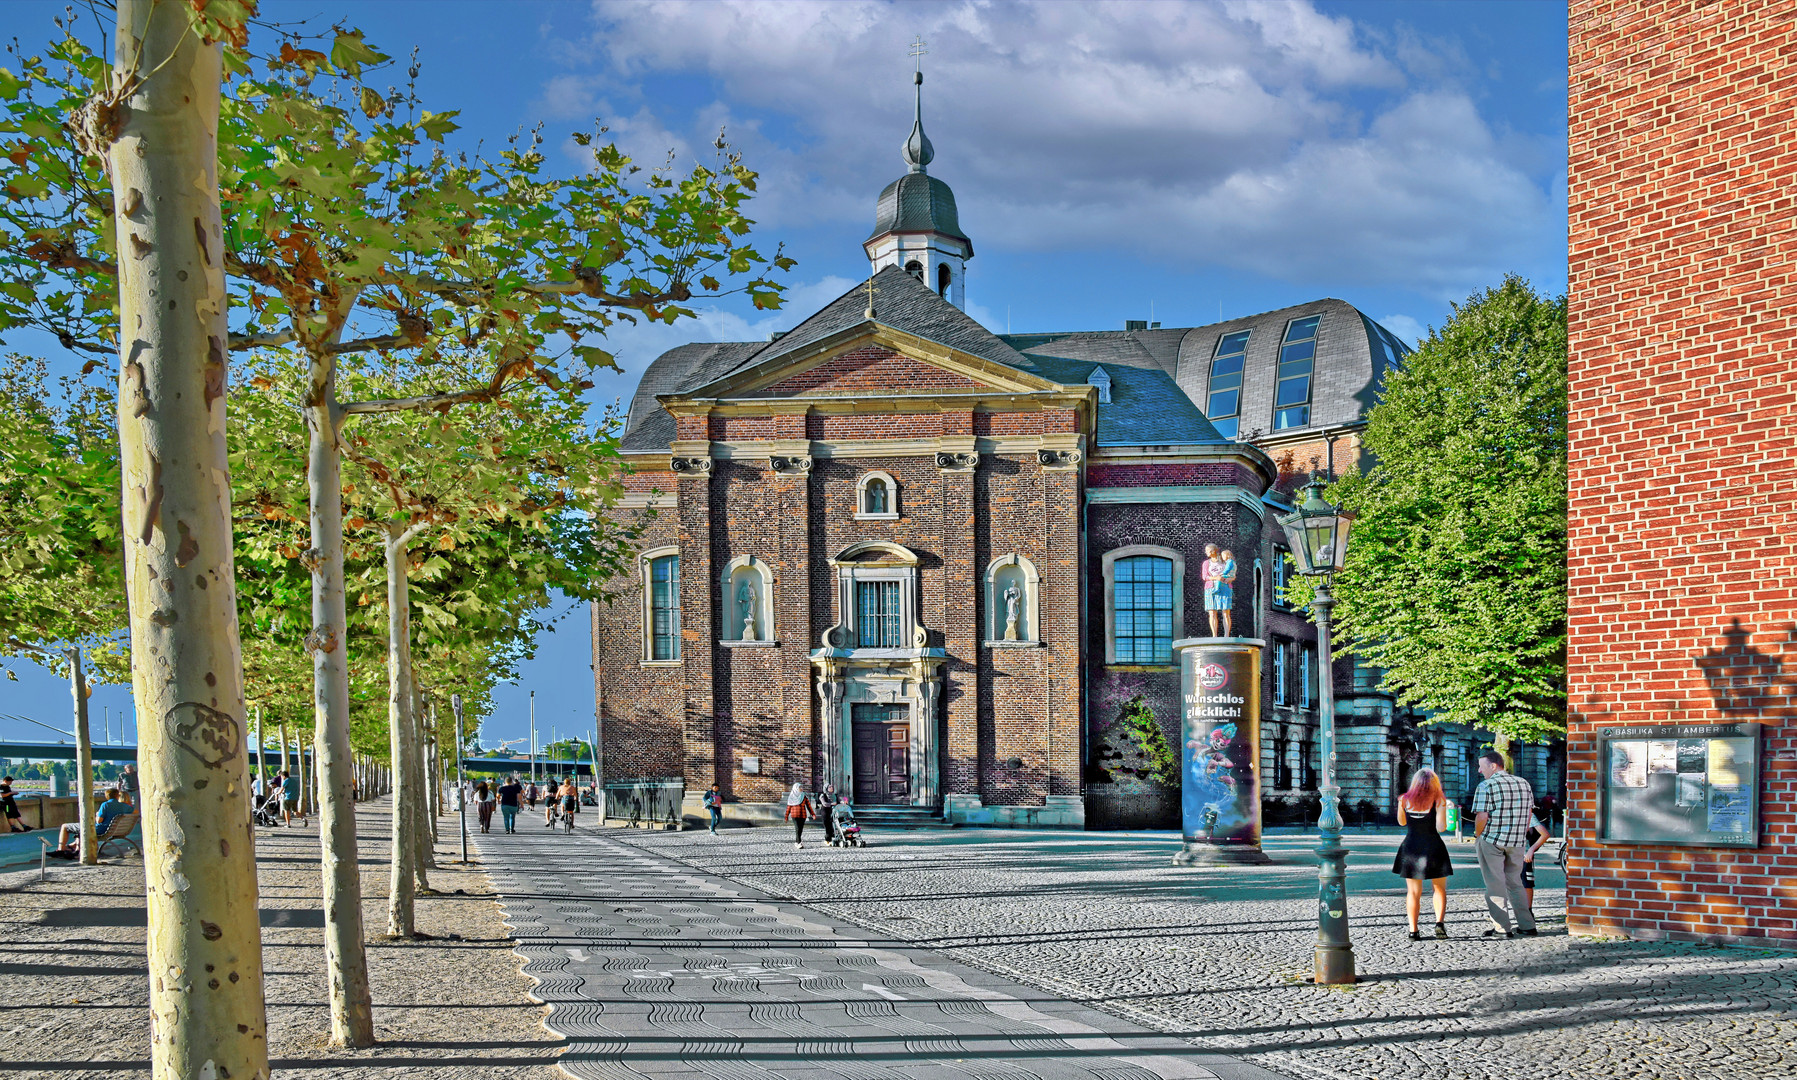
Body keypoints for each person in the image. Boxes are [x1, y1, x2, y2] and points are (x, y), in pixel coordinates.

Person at [1471, 749, 1538, 938]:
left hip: (1492, 840)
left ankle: (1502, 928)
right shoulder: (1524, 783)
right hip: (1516, 841)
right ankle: (1527, 925)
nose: (1479, 770)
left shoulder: (1486, 786)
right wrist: (1520, 833)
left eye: (1481, 766)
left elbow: (1482, 816)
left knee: (1495, 884)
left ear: (1493, 766)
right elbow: (1529, 813)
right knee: (1516, 883)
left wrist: (1477, 835)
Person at [1391, 767, 1454, 940]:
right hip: (1433, 847)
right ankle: (1439, 924)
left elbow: (1401, 822)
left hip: (1411, 847)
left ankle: (1413, 930)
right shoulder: (1438, 799)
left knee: (1413, 892)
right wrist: (1447, 810)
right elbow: (1441, 827)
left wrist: (1402, 807)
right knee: (1439, 889)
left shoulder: (1404, 799)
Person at [55, 788, 128, 856]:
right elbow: (134, 811)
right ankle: (74, 847)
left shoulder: (105, 805)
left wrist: (97, 815)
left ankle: (61, 849)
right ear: (117, 795)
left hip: (100, 830)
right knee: (81, 829)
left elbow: (99, 821)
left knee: (65, 826)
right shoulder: (125, 806)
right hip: (114, 830)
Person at [1522, 806, 1552, 914]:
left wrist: (1531, 850)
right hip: (1510, 854)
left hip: (1524, 855)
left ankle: (1528, 913)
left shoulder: (1527, 813)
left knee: (1526, 883)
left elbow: (1545, 834)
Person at [785, 783, 810, 849]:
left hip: (803, 815)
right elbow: (789, 807)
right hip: (794, 815)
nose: (802, 789)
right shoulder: (791, 796)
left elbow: (808, 806)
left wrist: (813, 814)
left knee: (800, 829)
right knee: (797, 828)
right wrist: (786, 816)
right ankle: (799, 843)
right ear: (796, 788)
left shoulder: (803, 796)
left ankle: (796, 841)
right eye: (800, 787)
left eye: (802, 787)